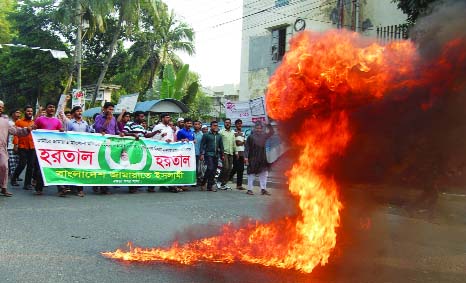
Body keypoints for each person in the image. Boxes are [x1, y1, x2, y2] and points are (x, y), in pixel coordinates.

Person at [0, 100, 33, 197]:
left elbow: (15, 130)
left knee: (4, 166)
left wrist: (27, 129)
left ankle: (4, 188)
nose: (0, 108)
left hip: (2, 148)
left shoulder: (5, 121)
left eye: (1, 107)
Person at [59, 104, 91, 197]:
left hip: (82, 150)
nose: (80, 112)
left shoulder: (85, 123)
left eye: (80, 111)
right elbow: (66, 135)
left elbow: (89, 134)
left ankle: (80, 189)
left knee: (80, 169)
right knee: (69, 168)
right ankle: (66, 187)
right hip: (71, 149)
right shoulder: (69, 123)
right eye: (77, 111)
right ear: (73, 113)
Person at [123, 111, 158, 193]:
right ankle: (132, 187)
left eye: (143, 117)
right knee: (132, 166)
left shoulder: (141, 127)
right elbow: (124, 132)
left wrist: (155, 132)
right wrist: (133, 135)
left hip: (140, 149)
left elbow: (146, 135)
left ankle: (138, 184)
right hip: (132, 149)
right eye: (141, 116)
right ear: (136, 117)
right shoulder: (130, 124)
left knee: (139, 166)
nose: (143, 118)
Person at [34, 102, 65, 196]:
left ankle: (61, 188)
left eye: (53, 107)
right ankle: (39, 188)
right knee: (40, 169)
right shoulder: (40, 120)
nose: (52, 109)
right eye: (50, 107)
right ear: (46, 109)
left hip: (53, 149)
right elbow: (34, 129)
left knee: (56, 168)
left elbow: (61, 132)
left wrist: (62, 131)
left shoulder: (57, 121)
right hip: (42, 149)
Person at [244, 122, 274, 196]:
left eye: (260, 128)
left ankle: (263, 189)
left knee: (264, 174)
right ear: (254, 129)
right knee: (251, 174)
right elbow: (247, 148)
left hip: (262, 158)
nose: (258, 130)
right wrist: (246, 157)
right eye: (257, 128)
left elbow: (271, 132)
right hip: (253, 158)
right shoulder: (250, 137)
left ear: (262, 129)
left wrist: (268, 124)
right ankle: (249, 189)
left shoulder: (264, 136)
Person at [11, 106, 36, 191]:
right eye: (28, 111)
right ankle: (14, 178)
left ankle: (27, 184)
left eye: (31, 111)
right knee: (22, 164)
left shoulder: (34, 123)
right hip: (22, 146)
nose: (30, 113)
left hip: (32, 146)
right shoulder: (19, 122)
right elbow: (16, 133)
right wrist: (15, 144)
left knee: (31, 165)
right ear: (24, 112)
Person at [200, 121, 224, 192]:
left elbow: (221, 146)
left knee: (213, 171)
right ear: (211, 126)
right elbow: (202, 145)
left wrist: (222, 155)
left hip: (216, 155)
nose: (216, 127)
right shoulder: (206, 135)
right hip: (208, 154)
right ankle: (204, 183)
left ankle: (209, 186)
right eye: (214, 125)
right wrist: (202, 154)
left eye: (217, 126)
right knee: (210, 168)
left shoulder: (219, 136)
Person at [218, 118, 236, 190]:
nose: (227, 124)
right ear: (224, 124)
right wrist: (219, 150)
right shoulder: (221, 132)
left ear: (230, 124)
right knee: (225, 167)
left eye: (229, 122)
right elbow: (218, 141)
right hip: (224, 152)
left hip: (231, 152)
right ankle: (219, 181)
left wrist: (236, 152)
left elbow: (234, 142)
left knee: (229, 168)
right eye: (226, 122)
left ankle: (224, 183)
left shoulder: (232, 132)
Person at [229, 119, 246, 190]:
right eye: (238, 124)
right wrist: (241, 142)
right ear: (235, 125)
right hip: (236, 153)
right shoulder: (233, 132)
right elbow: (236, 143)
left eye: (240, 123)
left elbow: (244, 142)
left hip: (242, 153)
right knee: (235, 168)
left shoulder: (243, 132)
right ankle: (227, 179)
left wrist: (241, 142)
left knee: (241, 169)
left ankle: (239, 185)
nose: (240, 125)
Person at [7, 109, 21, 179]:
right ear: (12, 114)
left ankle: (15, 176)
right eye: (17, 112)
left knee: (18, 163)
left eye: (19, 113)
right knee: (12, 163)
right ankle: (13, 177)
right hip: (10, 145)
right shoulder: (9, 123)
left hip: (20, 145)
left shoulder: (21, 122)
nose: (18, 114)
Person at [193, 120, 204, 185]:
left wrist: (202, 154)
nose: (196, 125)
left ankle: (197, 180)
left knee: (198, 168)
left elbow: (204, 145)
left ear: (200, 126)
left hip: (199, 154)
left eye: (198, 124)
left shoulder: (202, 134)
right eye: (195, 124)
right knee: (192, 168)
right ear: (193, 125)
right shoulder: (191, 133)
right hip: (191, 154)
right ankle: (193, 180)